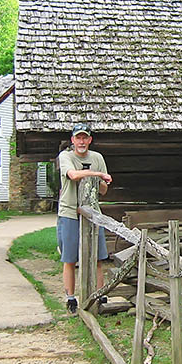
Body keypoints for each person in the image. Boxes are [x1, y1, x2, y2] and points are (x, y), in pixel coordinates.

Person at [57, 123, 112, 314]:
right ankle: (71, 298)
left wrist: (103, 182)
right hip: (70, 212)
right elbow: (72, 175)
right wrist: (96, 174)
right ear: (72, 140)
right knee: (70, 258)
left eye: (84, 138)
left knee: (97, 257)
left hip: (93, 213)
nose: (81, 141)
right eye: (78, 138)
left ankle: (100, 295)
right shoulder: (66, 156)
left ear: (90, 140)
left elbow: (104, 190)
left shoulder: (97, 158)